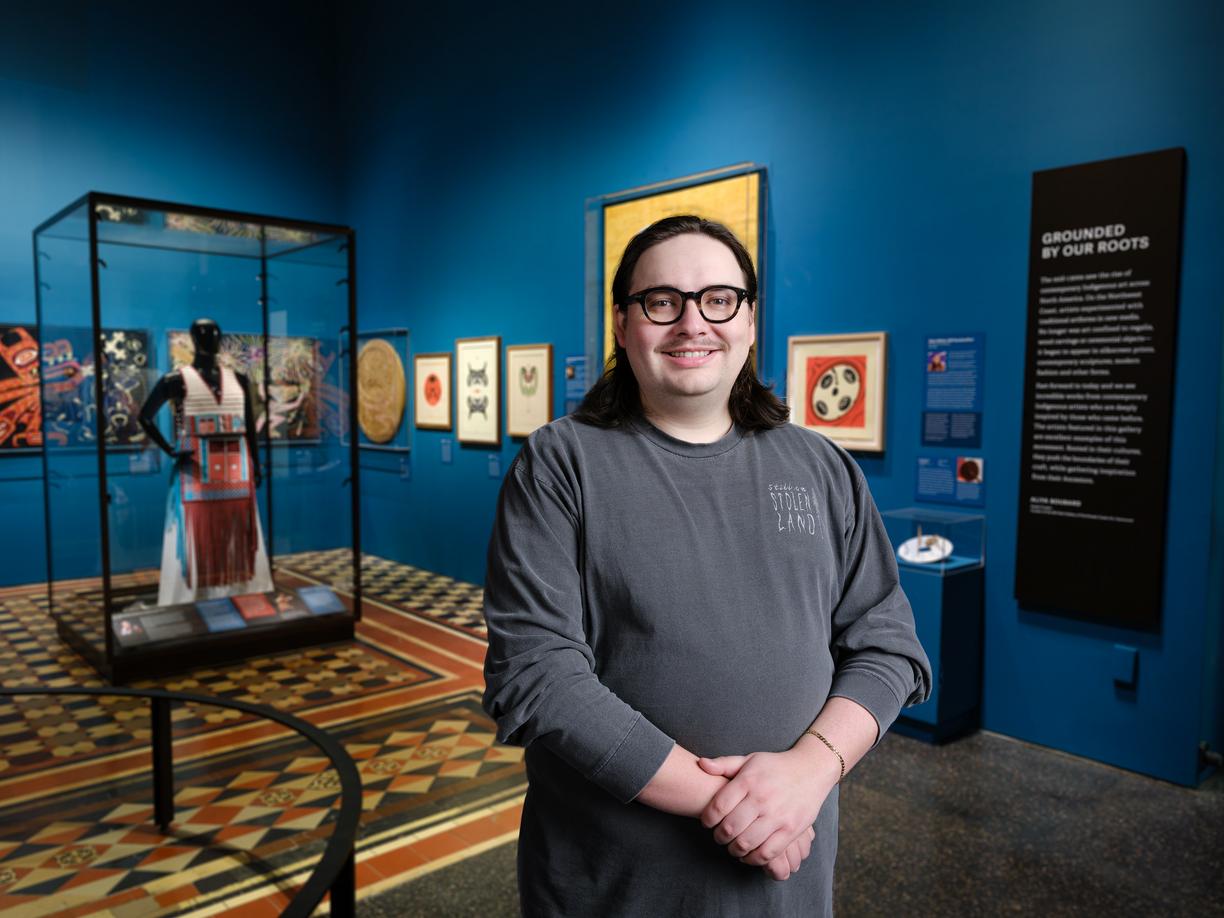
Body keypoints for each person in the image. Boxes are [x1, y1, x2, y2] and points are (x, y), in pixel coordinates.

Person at [482, 215, 931, 916]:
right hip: (617, 888)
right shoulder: (560, 463)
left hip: (785, 887)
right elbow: (537, 677)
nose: (693, 323)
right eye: (662, 301)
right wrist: (744, 809)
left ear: (750, 320)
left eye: (719, 299)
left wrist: (807, 774)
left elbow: (889, 649)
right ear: (623, 324)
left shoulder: (822, 467)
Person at [138, 317, 272, 606]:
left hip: (238, 476)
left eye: (214, 334)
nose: (209, 339)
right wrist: (170, 449)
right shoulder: (176, 380)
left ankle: (242, 598)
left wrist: (257, 466)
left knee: (238, 539)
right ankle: (192, 600)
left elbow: (249, 428)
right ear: (194, 340)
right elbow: (144, 417)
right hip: (196, 476)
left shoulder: (239, 379)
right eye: (204, 334)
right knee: (194, 541)